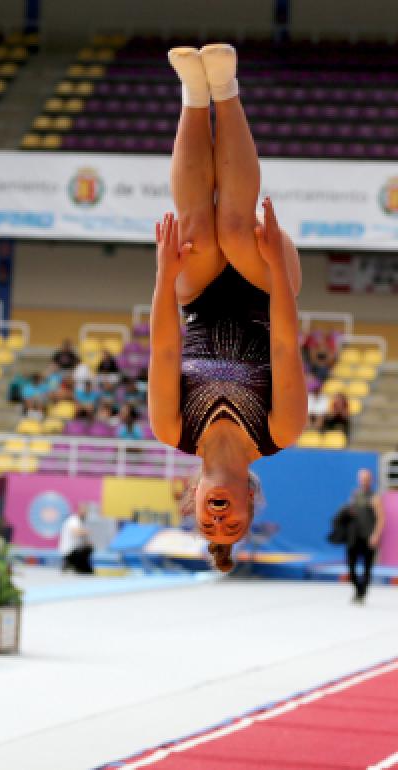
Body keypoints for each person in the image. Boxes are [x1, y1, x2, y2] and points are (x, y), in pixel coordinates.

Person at [148, 44, 307, 573]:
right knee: (237, 229)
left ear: (191, 498)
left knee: (194, 235)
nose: (220, 521)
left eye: (208, 524)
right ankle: (226, 88)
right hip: (270, 292)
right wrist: (277, 266)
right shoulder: (281, 432)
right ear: (251, 502)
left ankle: (194, 96)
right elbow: (285, 342)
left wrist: (164, 276)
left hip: (199, 297)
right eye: (232, 525)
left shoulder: (171, 429)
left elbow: (166, 345)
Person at [337, 469, 385, 604]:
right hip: (354, 536)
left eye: (366, 479)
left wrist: (375, 535)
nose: (364, 481)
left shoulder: (374, 497)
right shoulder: (355, 494)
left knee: (367, 567)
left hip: (368, 536)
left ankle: (362, 592)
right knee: (351, 567)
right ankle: (358, 589)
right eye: (362, 478)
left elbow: (381, 518)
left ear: (371, 480)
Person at [59, 506, 94, 574]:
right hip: (69, 550)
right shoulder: (73, 520)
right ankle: (72, 563)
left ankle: (75, 564)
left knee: (88, 547)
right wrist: (86, 532)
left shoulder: (79, 521)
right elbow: (75, 532)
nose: (86, 514)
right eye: (85, 512)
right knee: (88, 548)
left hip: (74, 550)